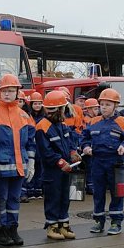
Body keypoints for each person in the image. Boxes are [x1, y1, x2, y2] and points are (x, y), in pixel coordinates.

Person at [0, 74, 36, 246]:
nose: (7, 94)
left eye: (11, 91)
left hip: (20, 166)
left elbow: (30, 143)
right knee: (2, 199)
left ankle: (13, 228)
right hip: (1, 167)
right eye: (5, 91)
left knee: (14, 199)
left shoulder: (24, 116)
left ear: (17, 92)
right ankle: (1, 231)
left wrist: (32, 164)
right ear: (0, 93)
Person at [81, 88, 124, 235]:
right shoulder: (93, 122)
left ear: (115, 106)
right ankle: (98, 221)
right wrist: (85, 148)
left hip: (116, 163)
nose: (104, 107)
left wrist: (123, 146)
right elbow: (84, 139)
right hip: (97, 162)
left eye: (108, 105)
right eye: (102, 104)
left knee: (118, 192)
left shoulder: (122, 123)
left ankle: (116, 222)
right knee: (98, 192)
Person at [36, 90, 80, 240]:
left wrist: (73, 152)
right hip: (52, 171)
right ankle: (52, 226)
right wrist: (61, 162)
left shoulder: (61, 125)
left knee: (64, 198)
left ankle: (63, 224)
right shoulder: (42, 126)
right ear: (59, 109)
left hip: (64, 169)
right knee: (53, 198)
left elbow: (69, 142)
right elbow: (46, 152)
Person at [22, 92, 46, 200]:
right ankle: (30, 189)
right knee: (31, 168)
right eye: (35, 103)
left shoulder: (44, 116)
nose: (37, 105)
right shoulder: (29, 116)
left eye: (39, 103)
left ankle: (38, 189)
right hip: (32, 144)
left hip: (40, 145)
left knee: (39, 168)